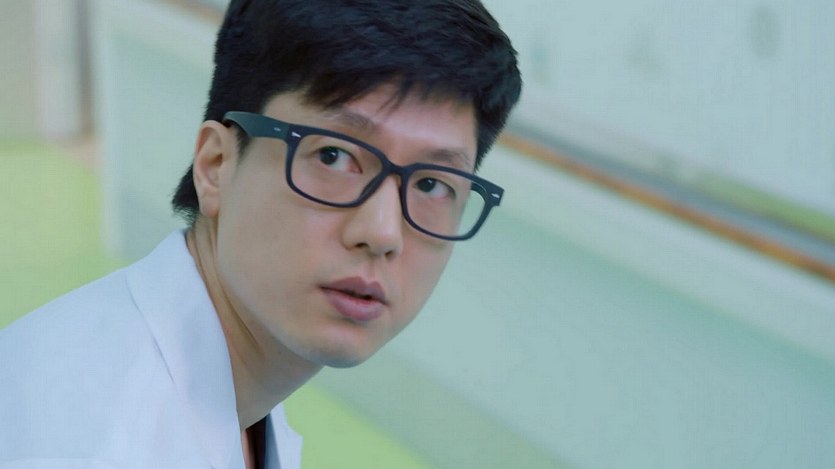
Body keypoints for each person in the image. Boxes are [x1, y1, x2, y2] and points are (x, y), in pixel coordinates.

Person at [0, 0, 521, 467]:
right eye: (333, 156)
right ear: (215, 165)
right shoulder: (84, 445)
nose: (383, 233)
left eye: (432, 184)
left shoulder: (244, 398)